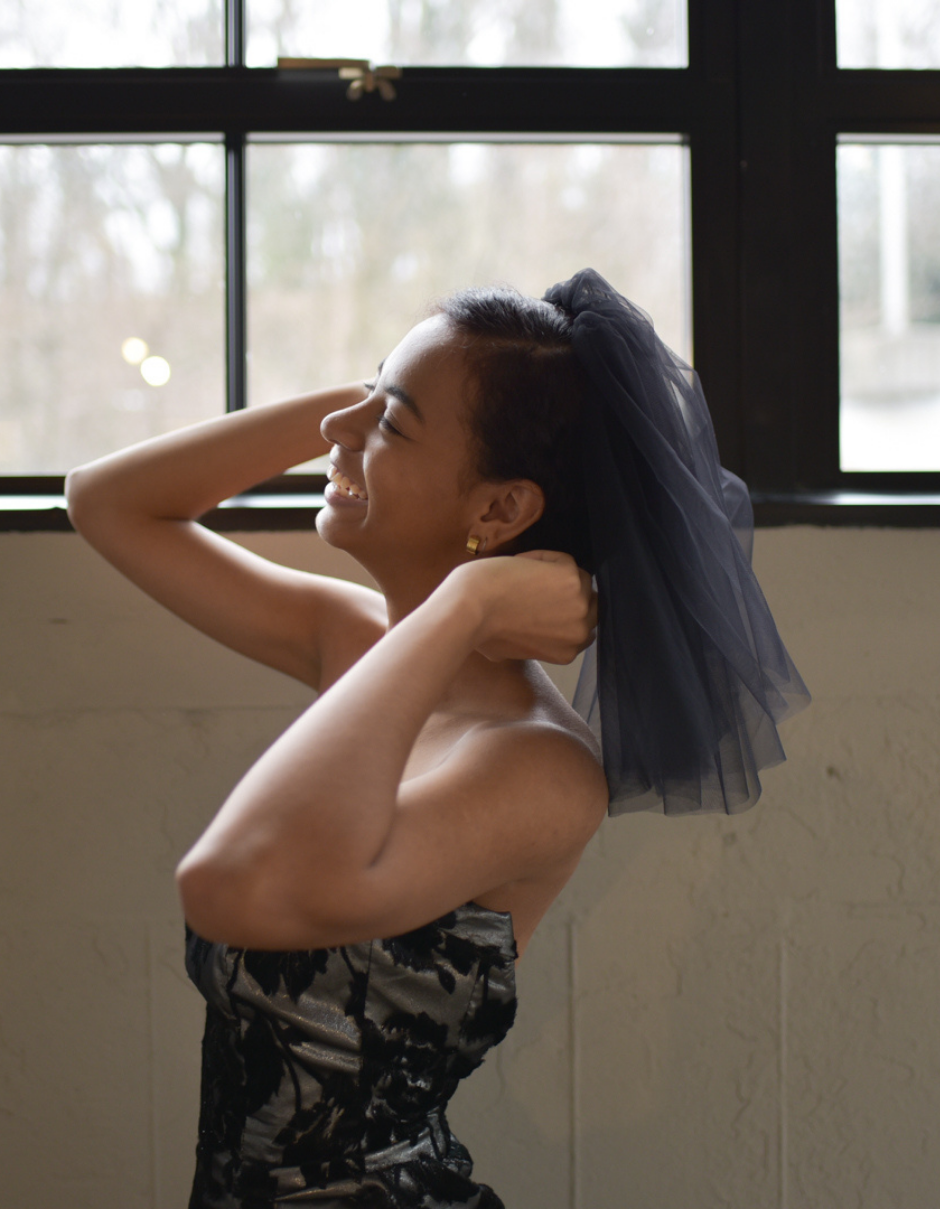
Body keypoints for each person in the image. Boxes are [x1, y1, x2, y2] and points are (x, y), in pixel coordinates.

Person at [65, 269, 808, 1208]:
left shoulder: (541, 768)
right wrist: (374, 404)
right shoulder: (360, 644)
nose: (341, 431)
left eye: (391, 422)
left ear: (499, 511)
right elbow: (103, 501)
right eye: (367, 397)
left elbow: (229, 883)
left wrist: (468, 602)